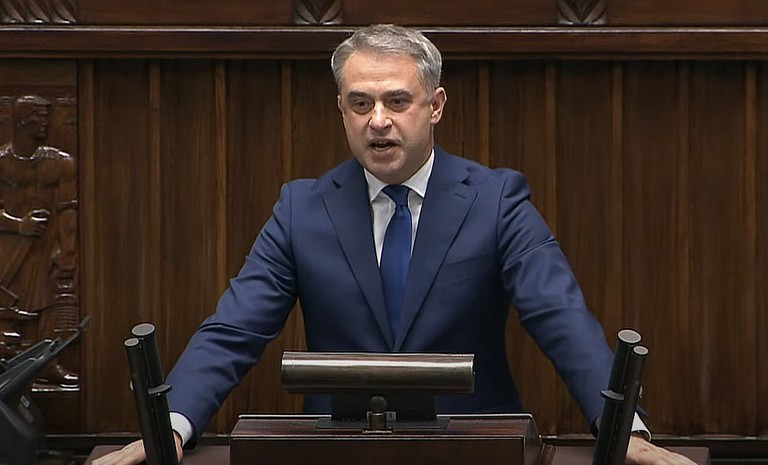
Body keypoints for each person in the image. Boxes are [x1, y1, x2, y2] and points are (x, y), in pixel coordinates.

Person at [95, 24, 695, 465]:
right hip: (332, 451)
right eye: (360, 104)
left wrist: (623, 429)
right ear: (341, 110)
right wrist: (170, 426)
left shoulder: (495, 200)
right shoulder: (303, 208)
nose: (377, 120)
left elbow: (558, 313)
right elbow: (235, 327)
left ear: (435, 106)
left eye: (396, 101)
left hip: (475, 450)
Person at [0, 94, 79, 386]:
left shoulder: (60, 162)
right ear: (22, 120)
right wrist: (19, 225)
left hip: (45, 246)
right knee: (9, 309)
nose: (45, 122)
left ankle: (45, 363)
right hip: (9, 248)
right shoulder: (2, 162)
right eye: (38, 116)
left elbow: (68, 207)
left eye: (47, 116)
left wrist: (67, 248)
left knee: (48, 303)